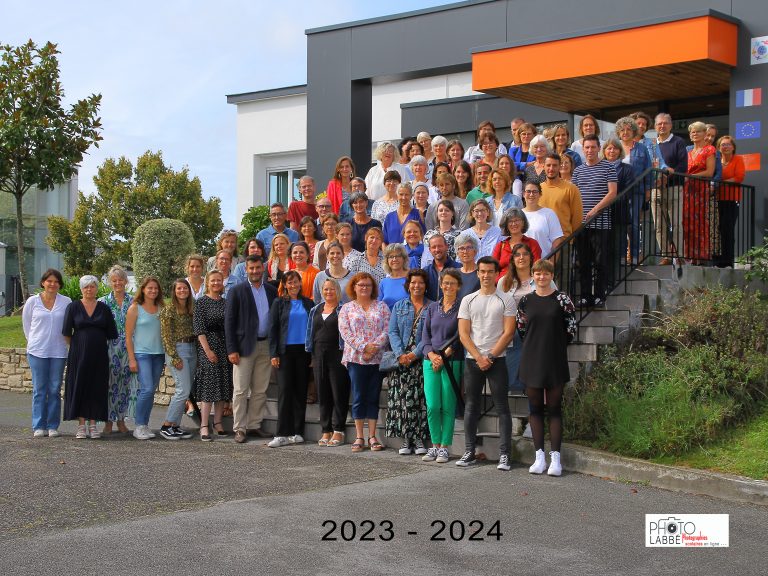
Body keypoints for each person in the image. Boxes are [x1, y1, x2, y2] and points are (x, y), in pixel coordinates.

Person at [517, 259, 577, 477]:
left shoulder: (562, 299)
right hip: (531, 358)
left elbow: (571, 328)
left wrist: (556, 345)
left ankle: (556, 459)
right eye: (538, 274)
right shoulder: (525, 301)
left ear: (552, 276)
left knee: (554, 409)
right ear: (533, 276)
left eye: (546, 274)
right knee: (534, 409)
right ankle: (539, 456)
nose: (541, 277)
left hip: (554, 358)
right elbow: (521, 328)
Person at [457, 257, 516, 470]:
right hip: (473, 360)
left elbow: (509, 332)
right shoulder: (468, 300)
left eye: (490, 271)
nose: (486, 275)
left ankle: (505, 455)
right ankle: (469, 451)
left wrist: (490, 356)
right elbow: (463, 334)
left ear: (496, 273)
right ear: (477, 273)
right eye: (482, 271)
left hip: (497, 360)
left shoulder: (506, 299)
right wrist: (479, 357)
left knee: (502, 407)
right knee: (471, 406)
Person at [225, 255, 278, 443]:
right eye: (251, 268)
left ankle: (254, 425)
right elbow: (229, 321)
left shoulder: (272, 291)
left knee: (260, 390)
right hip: (244, 347)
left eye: (257, 268)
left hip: (265, 345)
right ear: (246, 269)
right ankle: (239, 428)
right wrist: (231, 349)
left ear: (262, 269)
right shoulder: (237, 291)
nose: (255, 271)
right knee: (240, 390)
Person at [338, 272, 391, 453]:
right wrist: (363, 348)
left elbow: (387, 329)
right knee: (359, 396)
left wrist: (374, 348)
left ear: (373, 288)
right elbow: (345, 332)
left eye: (368, 285)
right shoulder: (347, 308)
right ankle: (359, 436)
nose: (364, 288)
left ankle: (373, 436)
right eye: (361, 285)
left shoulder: (382, 307)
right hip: (355, 358)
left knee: (373, 396)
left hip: (377, 359)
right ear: (354, 287)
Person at [62, 275, 118, 439]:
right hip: (78, 354)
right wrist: (79, 346)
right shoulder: (73, 307)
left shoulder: (104, 308)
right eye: (86, 287)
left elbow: (111, 333)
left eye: (92, 286)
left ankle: (93, 425)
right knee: (80, 386)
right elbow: (66, 333)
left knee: (96, 387)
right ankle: (81, 425)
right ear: (81, 289)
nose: (89, 289)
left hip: (99, 354)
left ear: (97, 288)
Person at [386, 269, 432, 456]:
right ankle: (407, 438)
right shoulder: (399, 306)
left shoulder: (432, 307)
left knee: (420, 399)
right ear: (408, 285)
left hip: (421, 359)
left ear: (426, 285)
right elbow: (392, 331)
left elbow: (430, 335)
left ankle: (420, 438)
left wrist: (413, 355)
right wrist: (400, 354)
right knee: (403, 400)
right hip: (401, 361)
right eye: (413, 282)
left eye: (420, 282)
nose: (416, 286)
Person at [267, 270, 314, 447]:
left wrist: (313, 354)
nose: (293, 285)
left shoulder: (309, 303)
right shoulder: (279, 303)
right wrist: (273, 354)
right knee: (285, 391)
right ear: (285, 285)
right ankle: (281, 433)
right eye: (289, 282)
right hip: (284, 352)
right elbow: (273, 329)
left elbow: (313, 330)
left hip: (303, 352)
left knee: (300, 392)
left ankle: (297, 431)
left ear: (300, 283)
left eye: (296, 282)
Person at [420, 269, 463, 463]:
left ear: (458, 286)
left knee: (447, 406)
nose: (448, 286)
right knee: (432, 406)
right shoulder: (431, 308)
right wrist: (431, 355)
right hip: (431, 361)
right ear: (440, 284)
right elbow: (425, 336)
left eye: (452, 283)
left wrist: (445, 354)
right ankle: (434, 445)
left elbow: (462, 334)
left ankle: (444, 447)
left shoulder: (462, 308)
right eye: (445, 283)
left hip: (451, 361)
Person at [23, 269, 71, 438]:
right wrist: (34, 342)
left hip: (58, 351)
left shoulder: (66, 302)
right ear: (43, 282)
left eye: (56, 281)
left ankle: (52, 425)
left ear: (60, 284)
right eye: (49, 281)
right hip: (37, 351)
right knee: (39, 390)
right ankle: (39, 425)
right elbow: (27, 325)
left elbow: (68, 326)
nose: (52, 284)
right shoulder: (32, 302)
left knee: (55, 389)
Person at [571, 134, 618, 306]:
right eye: (587, 147)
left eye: (593, 147)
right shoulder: (578, 171)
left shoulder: (608, 167)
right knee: (583, 262)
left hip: (601, 223)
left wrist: (595, 210)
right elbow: (574, 196)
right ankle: (584, 296)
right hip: (581, 225)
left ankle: (599, 295)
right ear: (583, 149)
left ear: (599, 148)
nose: (590, 150)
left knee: (600, 261)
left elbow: (612, 193)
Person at [306, 278, 350, 447]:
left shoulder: (343, 309)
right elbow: (310, 333)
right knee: (323, 393)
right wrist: (310, 355)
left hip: (337, 355)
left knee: (339, 393)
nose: (328, 292)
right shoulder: (315, 309)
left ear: (337, 291)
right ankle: (326, 429)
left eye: (332, 289)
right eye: (325, 289)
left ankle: (338, 430)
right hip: (318, 355)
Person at [193, 269, 233, 441]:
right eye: (213, 280)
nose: (216, 283)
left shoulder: (226, 303)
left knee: (222, 385)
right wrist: (208, 351)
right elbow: (199, 329)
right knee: (209, 387)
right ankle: (203, 425)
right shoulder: (201, 303)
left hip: (224, 346)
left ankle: (217, 423)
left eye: (219, 280)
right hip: (207, 346)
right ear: (207, 283)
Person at [98, 265, 137, 434]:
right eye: (114, 280)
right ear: (109, 282)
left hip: (128, 348)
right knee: (108, 385)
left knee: (125, 385)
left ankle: (121, 420)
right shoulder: (102, 302)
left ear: (126, 281)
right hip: (108, 348)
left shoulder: (133, 301)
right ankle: (107, 421)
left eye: (121, 280)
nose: (118, 283)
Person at [125, 276, 165, 441]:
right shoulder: (135, 308)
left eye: (155, 288)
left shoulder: (162, 308)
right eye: (150, 288)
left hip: (159, 354)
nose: (153, 291)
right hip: (142, 354)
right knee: (147, 389)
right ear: (143, 289)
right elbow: (128, 336)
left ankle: (145, 424)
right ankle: (139, 425)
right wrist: (132, 359)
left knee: (150, 391)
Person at [158, 279, 196, 440]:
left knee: (185, 390)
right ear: (174, 291)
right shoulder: (169, 310)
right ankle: (166, 425)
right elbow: (166, 336)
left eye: (185, 288)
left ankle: (175, 426)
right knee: (183, 390)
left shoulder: (191, 308)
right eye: (179, 288)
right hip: (178, 350)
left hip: (192, 348)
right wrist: (174, 356)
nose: (182, 291)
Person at [497, 242, 536, 393]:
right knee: (513, 365)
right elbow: (497, 307)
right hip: (511, 330)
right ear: (512, 259)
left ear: (531, 258)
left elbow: (554, 300)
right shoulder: (504, 282)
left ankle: (531, 390)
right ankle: (516, 389)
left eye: (525, 254)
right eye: (517, 254)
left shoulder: (540, 278)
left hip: (535, 330)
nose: (521, 258)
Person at [616, 116, 652, 263]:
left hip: (636, 191)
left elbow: (648, 170)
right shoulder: (614, 148)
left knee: (634, 224)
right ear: (618, 132)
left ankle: (635, 255)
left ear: (634, 131)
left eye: (629, 130)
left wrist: (648, 189)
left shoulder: (641, 148)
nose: (625, 132)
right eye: (622, 130)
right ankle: (622, 256)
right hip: (618, 193)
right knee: (620, 225)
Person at [653, 113, 688, 265]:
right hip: (656, 188)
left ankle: (679, 255)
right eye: (659, 123)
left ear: (671, 125)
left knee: (676, 223)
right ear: (655, 126)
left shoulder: (678, 142)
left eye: (665, 123)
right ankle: (666, 256)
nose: (662, 126)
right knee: (659, 225)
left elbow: (682, 166)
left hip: (674, 187)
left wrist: (668, 177)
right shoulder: (652, 144)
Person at [684, 121, 716, 264]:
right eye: (692, 132)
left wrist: (691, 176)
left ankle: (701, 256)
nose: (695, 134)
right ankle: (689, 255)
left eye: (698, 131)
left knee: (700, 222)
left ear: (705, 134)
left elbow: (709, 172)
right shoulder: (688, 152)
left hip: (700, 189)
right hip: (687, 190)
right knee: (687, 221)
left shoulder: (710, 150)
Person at [715, 135, 745, 267]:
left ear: (733, 147)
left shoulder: (738, 159)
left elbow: (739, 177)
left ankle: (728, 261)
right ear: (718, 148)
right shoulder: (717, 161)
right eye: (723, 144)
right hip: (716, 200)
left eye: (728, 144)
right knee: (718, 229)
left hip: (732, 199)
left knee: (728, 229)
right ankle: (717, 259)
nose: (725, 147)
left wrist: (719, 183)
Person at [539, 154, 583, 240]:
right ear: (543, 166)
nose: (551, 169)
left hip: (563, 242)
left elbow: (577, 218)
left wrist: (570, 238)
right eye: (548, 165)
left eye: (555, 165)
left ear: (559, 167)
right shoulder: (538, 189)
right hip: (541, 241)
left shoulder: (571, 189)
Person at [492, 208, 542, 279]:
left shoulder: (532, 243)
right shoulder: (500, 245)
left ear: (523, 222)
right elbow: (493, 268)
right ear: (506, 225)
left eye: (517, 220)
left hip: (526, 285)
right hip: (502, 286)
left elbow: (536, 267)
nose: (514, 224)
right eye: (510, 221)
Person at [522, 181, 564, 258]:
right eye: (528, 191)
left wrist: (551, 263)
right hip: (522, 264)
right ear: (523, 194)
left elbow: (557, 240)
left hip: (543, 264)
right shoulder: (518, 214)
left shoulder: (549, 213)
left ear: (540, 194)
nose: (531, 194)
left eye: (535, 191)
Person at [422, 233, 461, 301]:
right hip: (431, 310)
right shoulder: (426, 271)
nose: (437, 250)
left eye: (440, 246)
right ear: (430, 250)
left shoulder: (458, 268)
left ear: (446, 246)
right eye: (434, 247)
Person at [422, 199, 460, 267]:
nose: (443, 212)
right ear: (437, 214)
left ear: (452, 214)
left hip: (452, 270)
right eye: (441, 210)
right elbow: (425, 257)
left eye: (447, 210)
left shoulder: (459, 235)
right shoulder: (429, 234)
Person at [378, 243, 410, 309]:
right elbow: (378, 306)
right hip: (387, 318)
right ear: (387, 261)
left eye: (398, 256)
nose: (394, 259)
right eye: (391, 257)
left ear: (404, 259)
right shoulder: (384, 282)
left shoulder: (411, 278)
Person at [454, 232, 480, 300]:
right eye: (461, 248)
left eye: (469, 247)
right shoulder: (454, 274)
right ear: (457, 253)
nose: (465, 251)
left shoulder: (481, 272)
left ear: (475, 251)